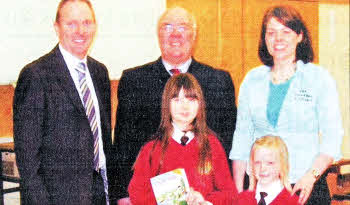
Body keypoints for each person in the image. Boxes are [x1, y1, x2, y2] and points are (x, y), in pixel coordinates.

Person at [111, 6, 237, 204]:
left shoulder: (218, 81)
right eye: (167, 27)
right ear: (158, 34)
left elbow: (229, 143)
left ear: (194, 35)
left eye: (183, 27)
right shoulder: (134, 80)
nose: (176, 33)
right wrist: (123, 195)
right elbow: (122, 144)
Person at [230, 5, 343, 205]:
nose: (278, 39)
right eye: (271, 33)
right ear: (264, 39)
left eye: (286, 32)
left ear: (300, 36)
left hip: (305, 186)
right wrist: (240, 191)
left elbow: (332, 138)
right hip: (261, 187)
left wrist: (311, 176)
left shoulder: (318, 78)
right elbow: (242, 137)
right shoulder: (252, 79)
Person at [13, 0, 113, 204]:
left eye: (87, 23)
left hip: (99, 194)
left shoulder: (100, 72)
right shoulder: (36, 75)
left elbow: (103, 143)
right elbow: (28, 160)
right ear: (56, 28)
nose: (80, 31)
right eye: (71, 24)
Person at [128, 73, 237, 205]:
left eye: (191, 100)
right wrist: (174, 198)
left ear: (200, 103)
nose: (184, 106)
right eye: (177, 100)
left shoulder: (212, 145)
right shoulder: (151, 149)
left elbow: (229, 194)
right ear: (166, 104)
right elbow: (137, 195)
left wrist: (204, 200)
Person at [237, 135, 299, 205]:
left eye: (270, 163)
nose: (262, 168)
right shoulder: (241, 200)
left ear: (282, 164)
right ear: (252, 165)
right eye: (257, 162)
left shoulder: (293, 202)